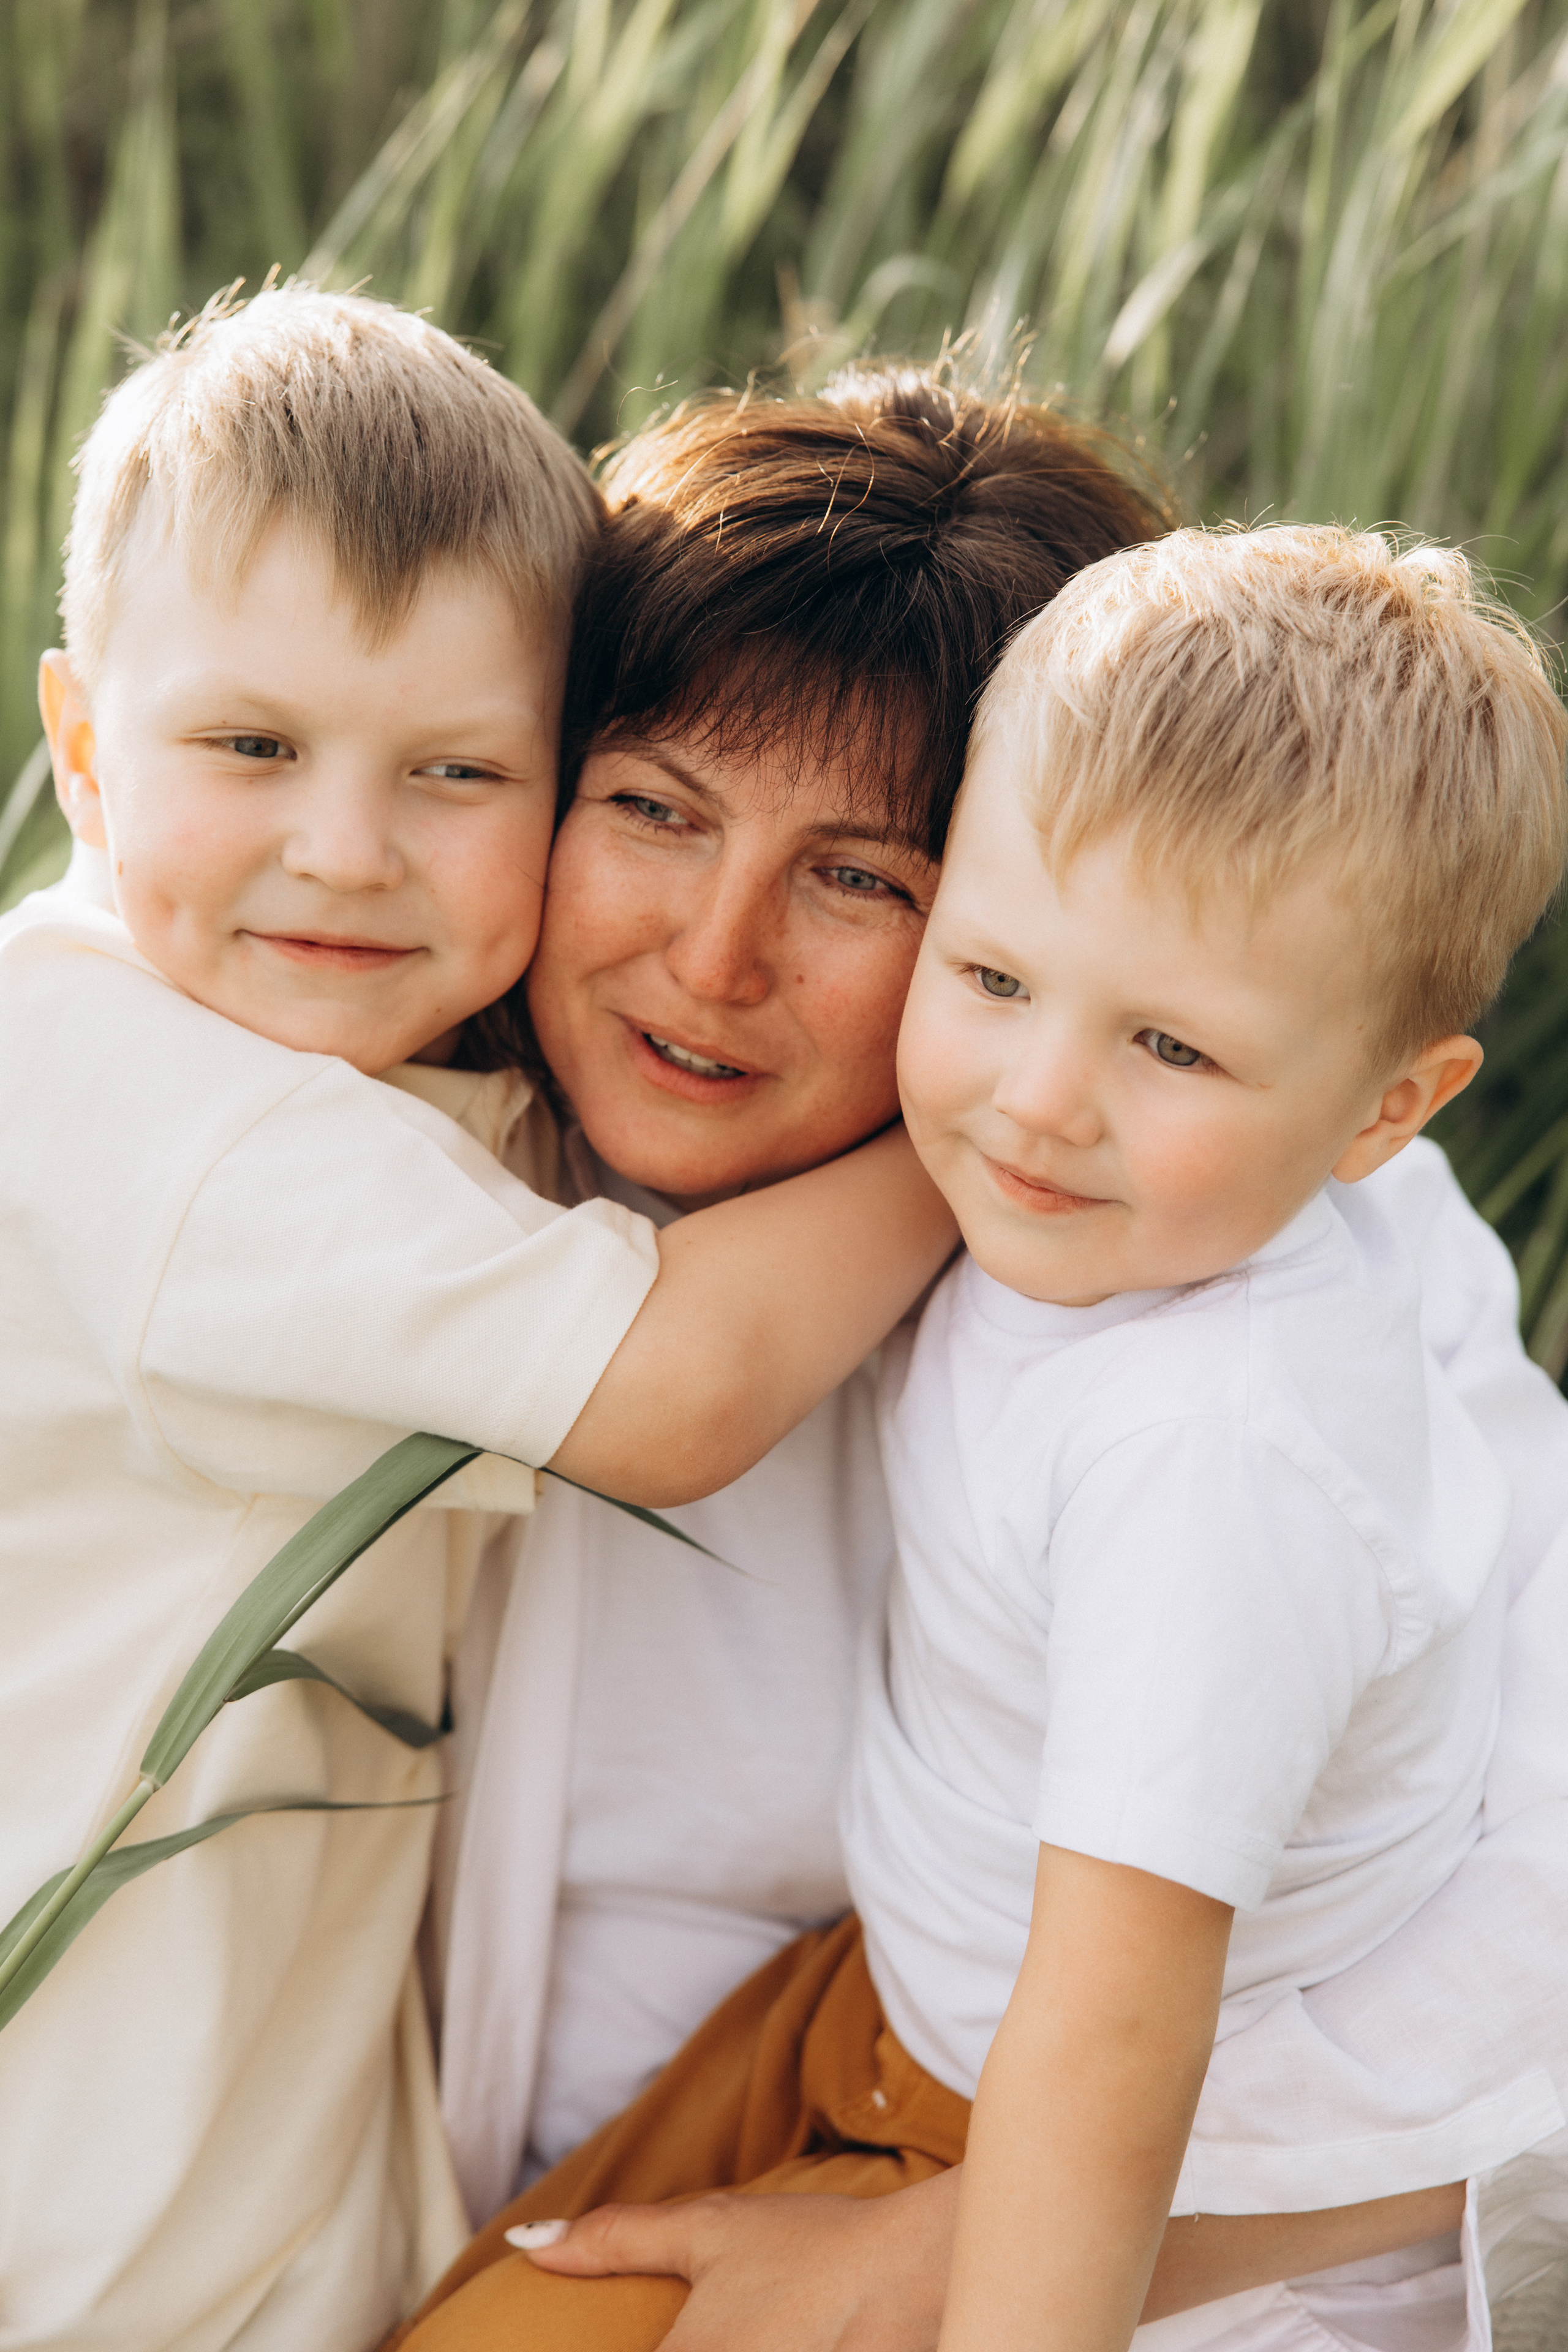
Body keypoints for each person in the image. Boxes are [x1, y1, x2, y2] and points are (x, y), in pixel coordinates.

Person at [402, 393, 1568, 2352]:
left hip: (1071, 2195)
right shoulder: (384, 1141)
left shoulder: (1243, 1304)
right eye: (657, 807)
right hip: (793, 2069)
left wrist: (944, 2262)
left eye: (862, 877)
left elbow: (1504, 1927)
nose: (716, 956)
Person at [0, 287, 956, 2350]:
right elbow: (678, 1386)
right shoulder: (140, 1108)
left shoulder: (345, 1078)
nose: (346, 853)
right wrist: (1007, 1103)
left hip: (254, 2231)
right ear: (82, 749)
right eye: (251, 747)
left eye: (456, 771)